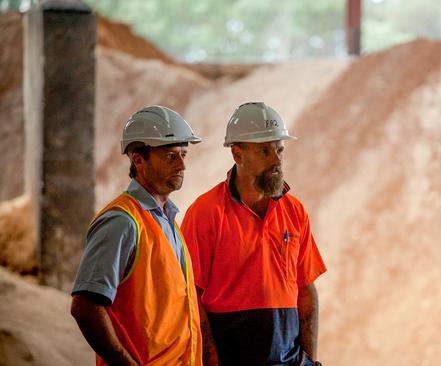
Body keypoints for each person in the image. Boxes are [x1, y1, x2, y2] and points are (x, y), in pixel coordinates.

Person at [181, 102, 327, 366]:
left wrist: (309, 361)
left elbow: (306, 290)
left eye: (279, 150)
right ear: (238, 155)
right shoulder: (205, 213)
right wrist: (211, 359)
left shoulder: (294, 211)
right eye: (264, 151)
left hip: (290, 361)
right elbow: (189, 296)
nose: (276, 160)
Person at [70, 106, 204, 366]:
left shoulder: (168, 221)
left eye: (183, 154)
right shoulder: (122, 222)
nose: (182, 164)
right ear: (138, 160)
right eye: (170, 156)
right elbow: (85, 307)